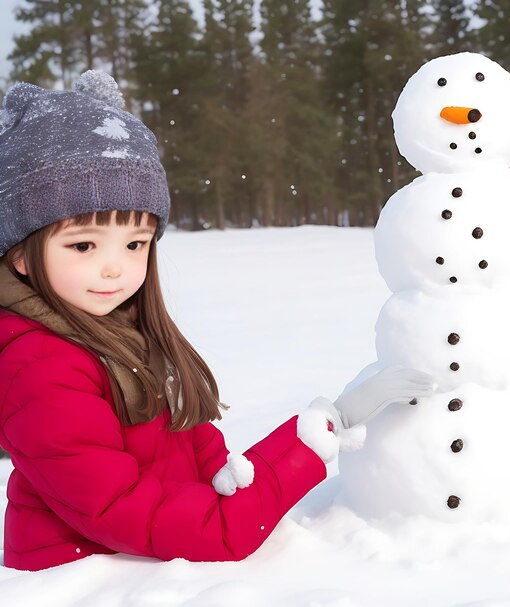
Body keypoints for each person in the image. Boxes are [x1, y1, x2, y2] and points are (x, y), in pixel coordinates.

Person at [0, 71, 434, 571]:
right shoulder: (41, 369)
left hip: (153, 581)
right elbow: (182, 523)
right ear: (22, 256)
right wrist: (322, 433)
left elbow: (217, 481)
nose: (115, 267)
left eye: (135, 243)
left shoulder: (130, 338)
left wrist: (321, 430)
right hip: (90, 599)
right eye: (83, 245)